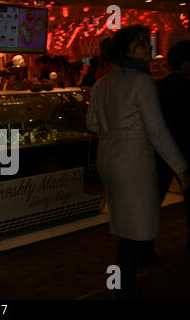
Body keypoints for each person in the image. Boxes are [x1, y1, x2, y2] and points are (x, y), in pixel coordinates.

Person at [86, 25, 190, 299]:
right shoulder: (141, 82)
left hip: (108, 158)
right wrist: (181, 167)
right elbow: (157, 131)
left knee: (125, 224)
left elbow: (91, 123)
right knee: (135, 230)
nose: (149, 47)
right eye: (142, 43)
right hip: (133, 161)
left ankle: (124, 282)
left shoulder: (102, 82)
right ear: (125, 50)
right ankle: (125, 286)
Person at [156, 40, 190, 250]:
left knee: (154, 198)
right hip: (186, 150)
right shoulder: (187, 87)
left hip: (161, 149)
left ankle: (144, 247)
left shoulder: (158, 86)